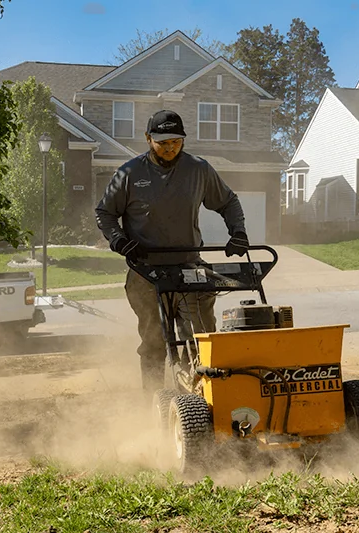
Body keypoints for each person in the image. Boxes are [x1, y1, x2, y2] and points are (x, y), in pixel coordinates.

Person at [95, 109, 249, 395]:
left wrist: (237, 232)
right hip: (145, 271)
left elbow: (228, 202)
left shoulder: (198, 170)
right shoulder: (129, 173)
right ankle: (153, 402)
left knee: (200, 340)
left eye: (176, 142)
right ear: (148, 138)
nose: (169, 148)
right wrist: (118, 240)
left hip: (189, 265)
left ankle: (201, 400)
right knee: (154, 343)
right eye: (163, 142)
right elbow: (105, 212)